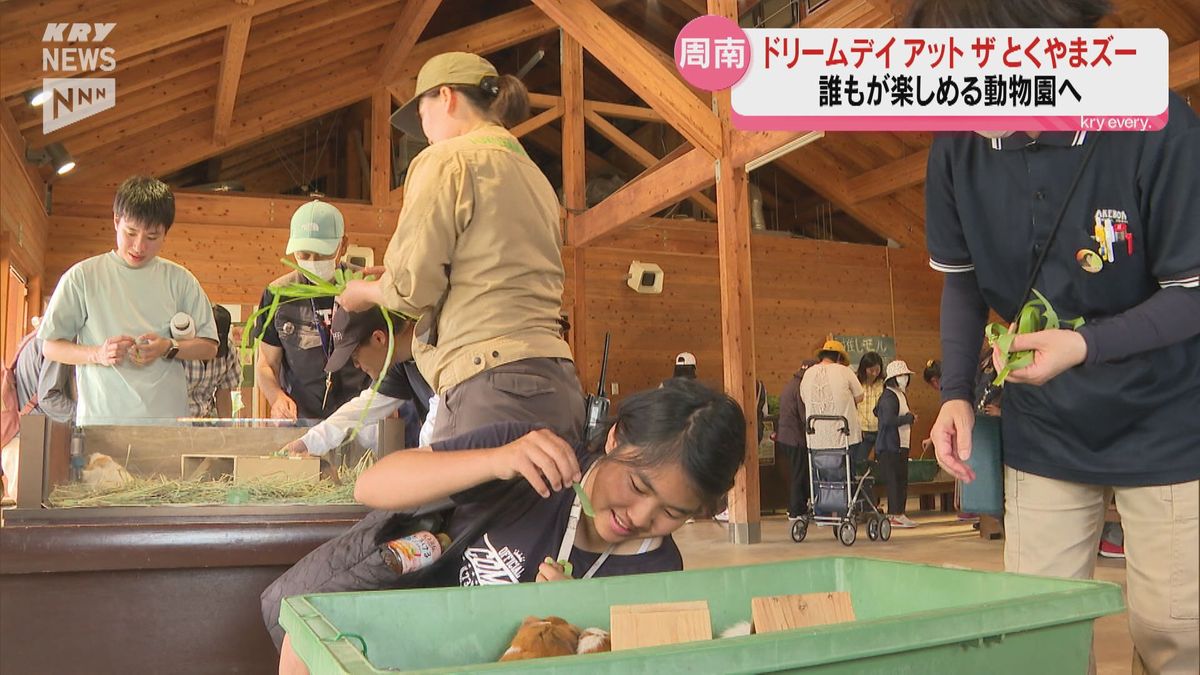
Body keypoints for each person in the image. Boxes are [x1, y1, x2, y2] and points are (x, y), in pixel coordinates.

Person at [910, 1, 1199, 671]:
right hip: (1045, 424)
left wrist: (1085, 346)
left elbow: (1192, 291)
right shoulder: (956, 149)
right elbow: (962, 282)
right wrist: (955, 393)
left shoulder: (1160, 125)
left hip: (1169, 418)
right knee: (1036, 628)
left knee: (1176, 632)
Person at [273, 379, 747, 673]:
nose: (642, 519)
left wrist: (575, 619)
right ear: (617, 438)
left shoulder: (659, 572)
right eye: (639, 486)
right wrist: (495, 460)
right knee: (304, 650)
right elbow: (372, 487)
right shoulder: (530, 460)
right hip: (415, 649)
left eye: (673, 514)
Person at [338, 52, 583, 445]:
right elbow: (492, 263)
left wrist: (362, 294)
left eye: (423, 115)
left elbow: (411, 289)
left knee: (469, 505)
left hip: (490, 382)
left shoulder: (446, 159)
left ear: (447, 97)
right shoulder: (533, 173)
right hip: (556, 379)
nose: (426, 131)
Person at [38, 176, 218, 425]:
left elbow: (209, 346)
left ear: (166, 232)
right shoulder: (83, 277)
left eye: (152, 237)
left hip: (166, 425)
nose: (139, 246)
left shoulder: (181, 280)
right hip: (101, 424)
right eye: (130, 232)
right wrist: (98, 354)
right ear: (115, 220)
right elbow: (50, 346)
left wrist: (167, 347)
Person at [253, 200, 370, 421]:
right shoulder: (278, 294)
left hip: (361, 417)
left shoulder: (364, 286)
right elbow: (267, 363)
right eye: (304, 255)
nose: (313, 262)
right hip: (303, 419)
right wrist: (276, 396)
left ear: (342, 246)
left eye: (322, 254)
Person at [282, 306, 433, 457]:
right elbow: (360, 410)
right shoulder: (399, 362)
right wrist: (307, 444)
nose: (356, 365)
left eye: (355, 355)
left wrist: (420, 462)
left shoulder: (436, 348)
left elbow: (440, 424)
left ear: (379, 338)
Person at [799, 339, 864, 454]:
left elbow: (804, 398)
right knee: (846, 470)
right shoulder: (845, 371)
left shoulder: (808, 373)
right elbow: (860, 396)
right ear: (839, 357)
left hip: (816, 439)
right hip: (844, 437)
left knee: (820, 471)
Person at [874, 360, 917, 528]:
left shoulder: (899, 394)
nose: (904, 378)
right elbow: (887, 419)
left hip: (900, 445)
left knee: (901, 480)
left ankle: (900, 513)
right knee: (894, 481)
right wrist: (908, 418)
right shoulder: (889, 396)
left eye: (906, 375)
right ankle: (895, 514)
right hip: (890, 446)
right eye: (901, 376)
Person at [183, 305, 242, 418]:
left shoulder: (229, 351)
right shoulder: (182, 349)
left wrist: (227, 432)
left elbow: (223, 393)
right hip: (178, 421)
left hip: (208, 421)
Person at [777, 359, 817, 521]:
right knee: (799, 474)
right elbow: (804, 416)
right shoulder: (801, 387)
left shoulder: (791, 383)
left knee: (796, 473)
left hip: (785, 437)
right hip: (795, 438)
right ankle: (796, 511)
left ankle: (795, 507)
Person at [852, 351, 885, 472]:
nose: (874, 373)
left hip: (880, 430)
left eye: (877, 370)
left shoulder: (883, 384)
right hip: (862, 431)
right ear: (864, 369)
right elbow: (852, 408)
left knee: (880, 465)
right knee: (859, 463)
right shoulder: (856, 383)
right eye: (871, 370)